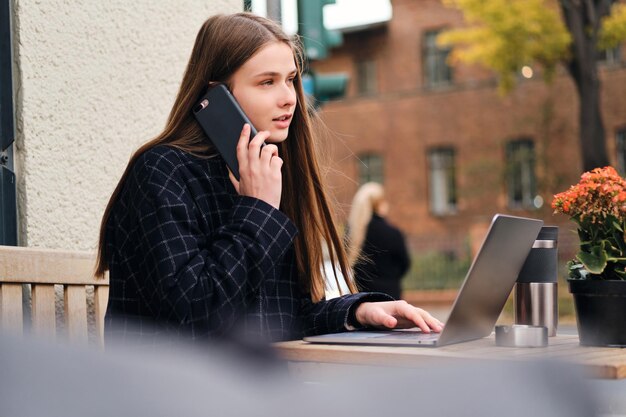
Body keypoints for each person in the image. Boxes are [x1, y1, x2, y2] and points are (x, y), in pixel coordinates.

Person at [94, 13, 442, 345]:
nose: (288, 97)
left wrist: (357, 311)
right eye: (267, 82)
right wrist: (257, 208)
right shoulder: (162, 171)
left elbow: (282, 317)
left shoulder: (270, 171)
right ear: (217, 97)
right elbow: (195, 315)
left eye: (291, 79)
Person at [347, 183, 410, 300]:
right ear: (379, 204)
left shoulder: (352, 232)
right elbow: (404, 263)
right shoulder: (392, 232)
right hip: (389, 296)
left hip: (362, 299)